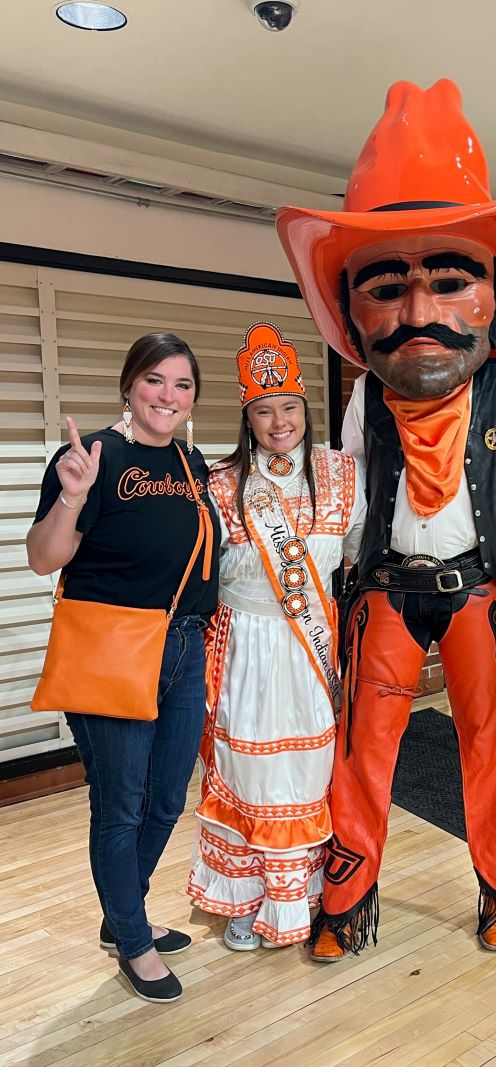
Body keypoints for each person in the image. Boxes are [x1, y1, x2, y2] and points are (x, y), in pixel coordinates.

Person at [275, 78, 496, 961]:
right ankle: (343, 901)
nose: (420, 313)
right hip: (384, 592)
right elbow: (346, 502)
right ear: (355, 313)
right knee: (361, 750)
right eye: (388, 287)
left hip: (478, 587)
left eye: (449, 280)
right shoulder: (364, 398)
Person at [27, 332, 220, 1004]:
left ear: (194, 396)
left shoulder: (194, 463)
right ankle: (133, 940)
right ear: (129, 384)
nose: (168, 396)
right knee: (120, 805)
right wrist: (73, 496)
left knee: (167, 798)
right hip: (113, 648)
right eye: (155, 381)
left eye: (182, 384)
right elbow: (44, 558)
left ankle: (123, 915)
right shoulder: (92, 458)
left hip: (186, 648)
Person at [188, 322, 365, 950]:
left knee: (306, 772)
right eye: (263, 410)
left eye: (288, 406)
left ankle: (302, 897)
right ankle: (245, 897)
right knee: (246, 770)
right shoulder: (218, 482)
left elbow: (351, 558)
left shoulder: (342, 475)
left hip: (309, 648)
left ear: (305, 409)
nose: (278, 421)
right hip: (243, 646)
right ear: (248, 416)